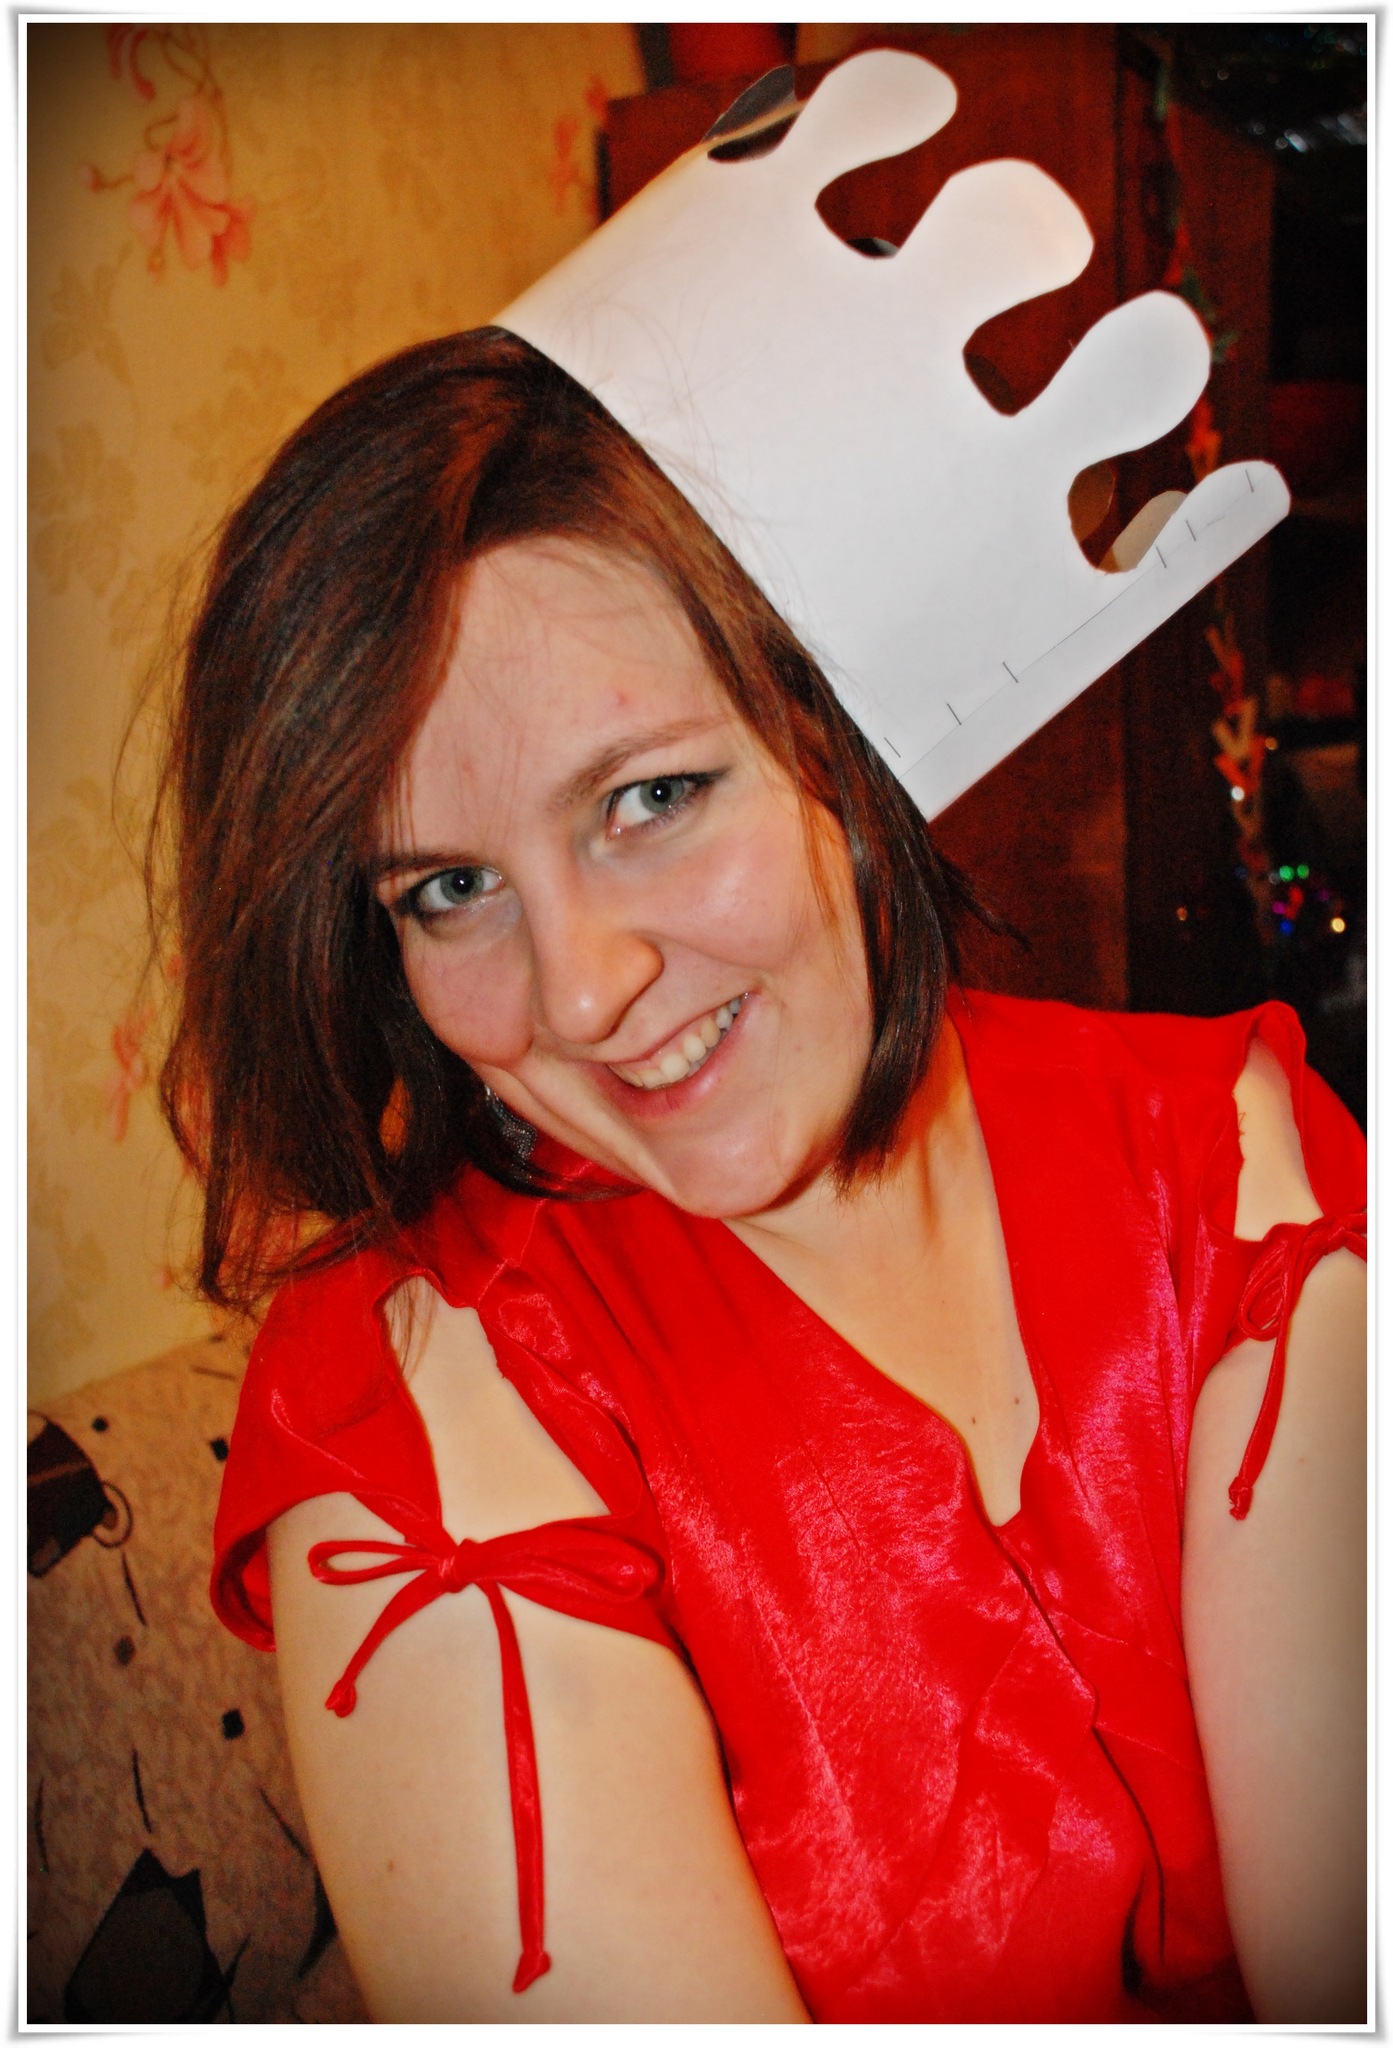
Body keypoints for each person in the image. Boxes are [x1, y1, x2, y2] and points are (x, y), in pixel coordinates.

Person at [166, 59, 1365, 2029]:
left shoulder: (1225, 1163)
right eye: (445, 889)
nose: (580, 994)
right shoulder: (431, 1400)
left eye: (648, 798)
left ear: (832, 729)